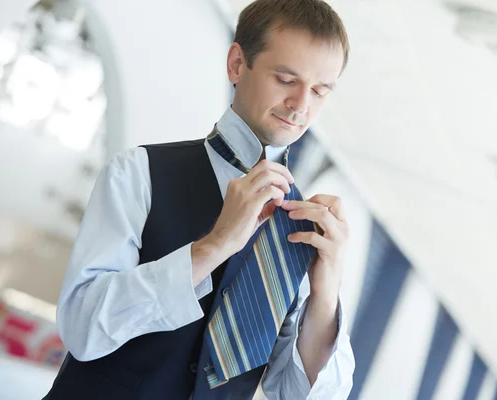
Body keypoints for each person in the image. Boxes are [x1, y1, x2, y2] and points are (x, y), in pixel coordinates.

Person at [44, 0, 354, 399]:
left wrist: (326, 293)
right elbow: (81, 330)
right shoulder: (139, 173)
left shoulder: (301, 227)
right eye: (285, 79)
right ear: (238, 65)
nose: (301, 105)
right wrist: (214, 246)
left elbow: (297, 393)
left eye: (320, 91)